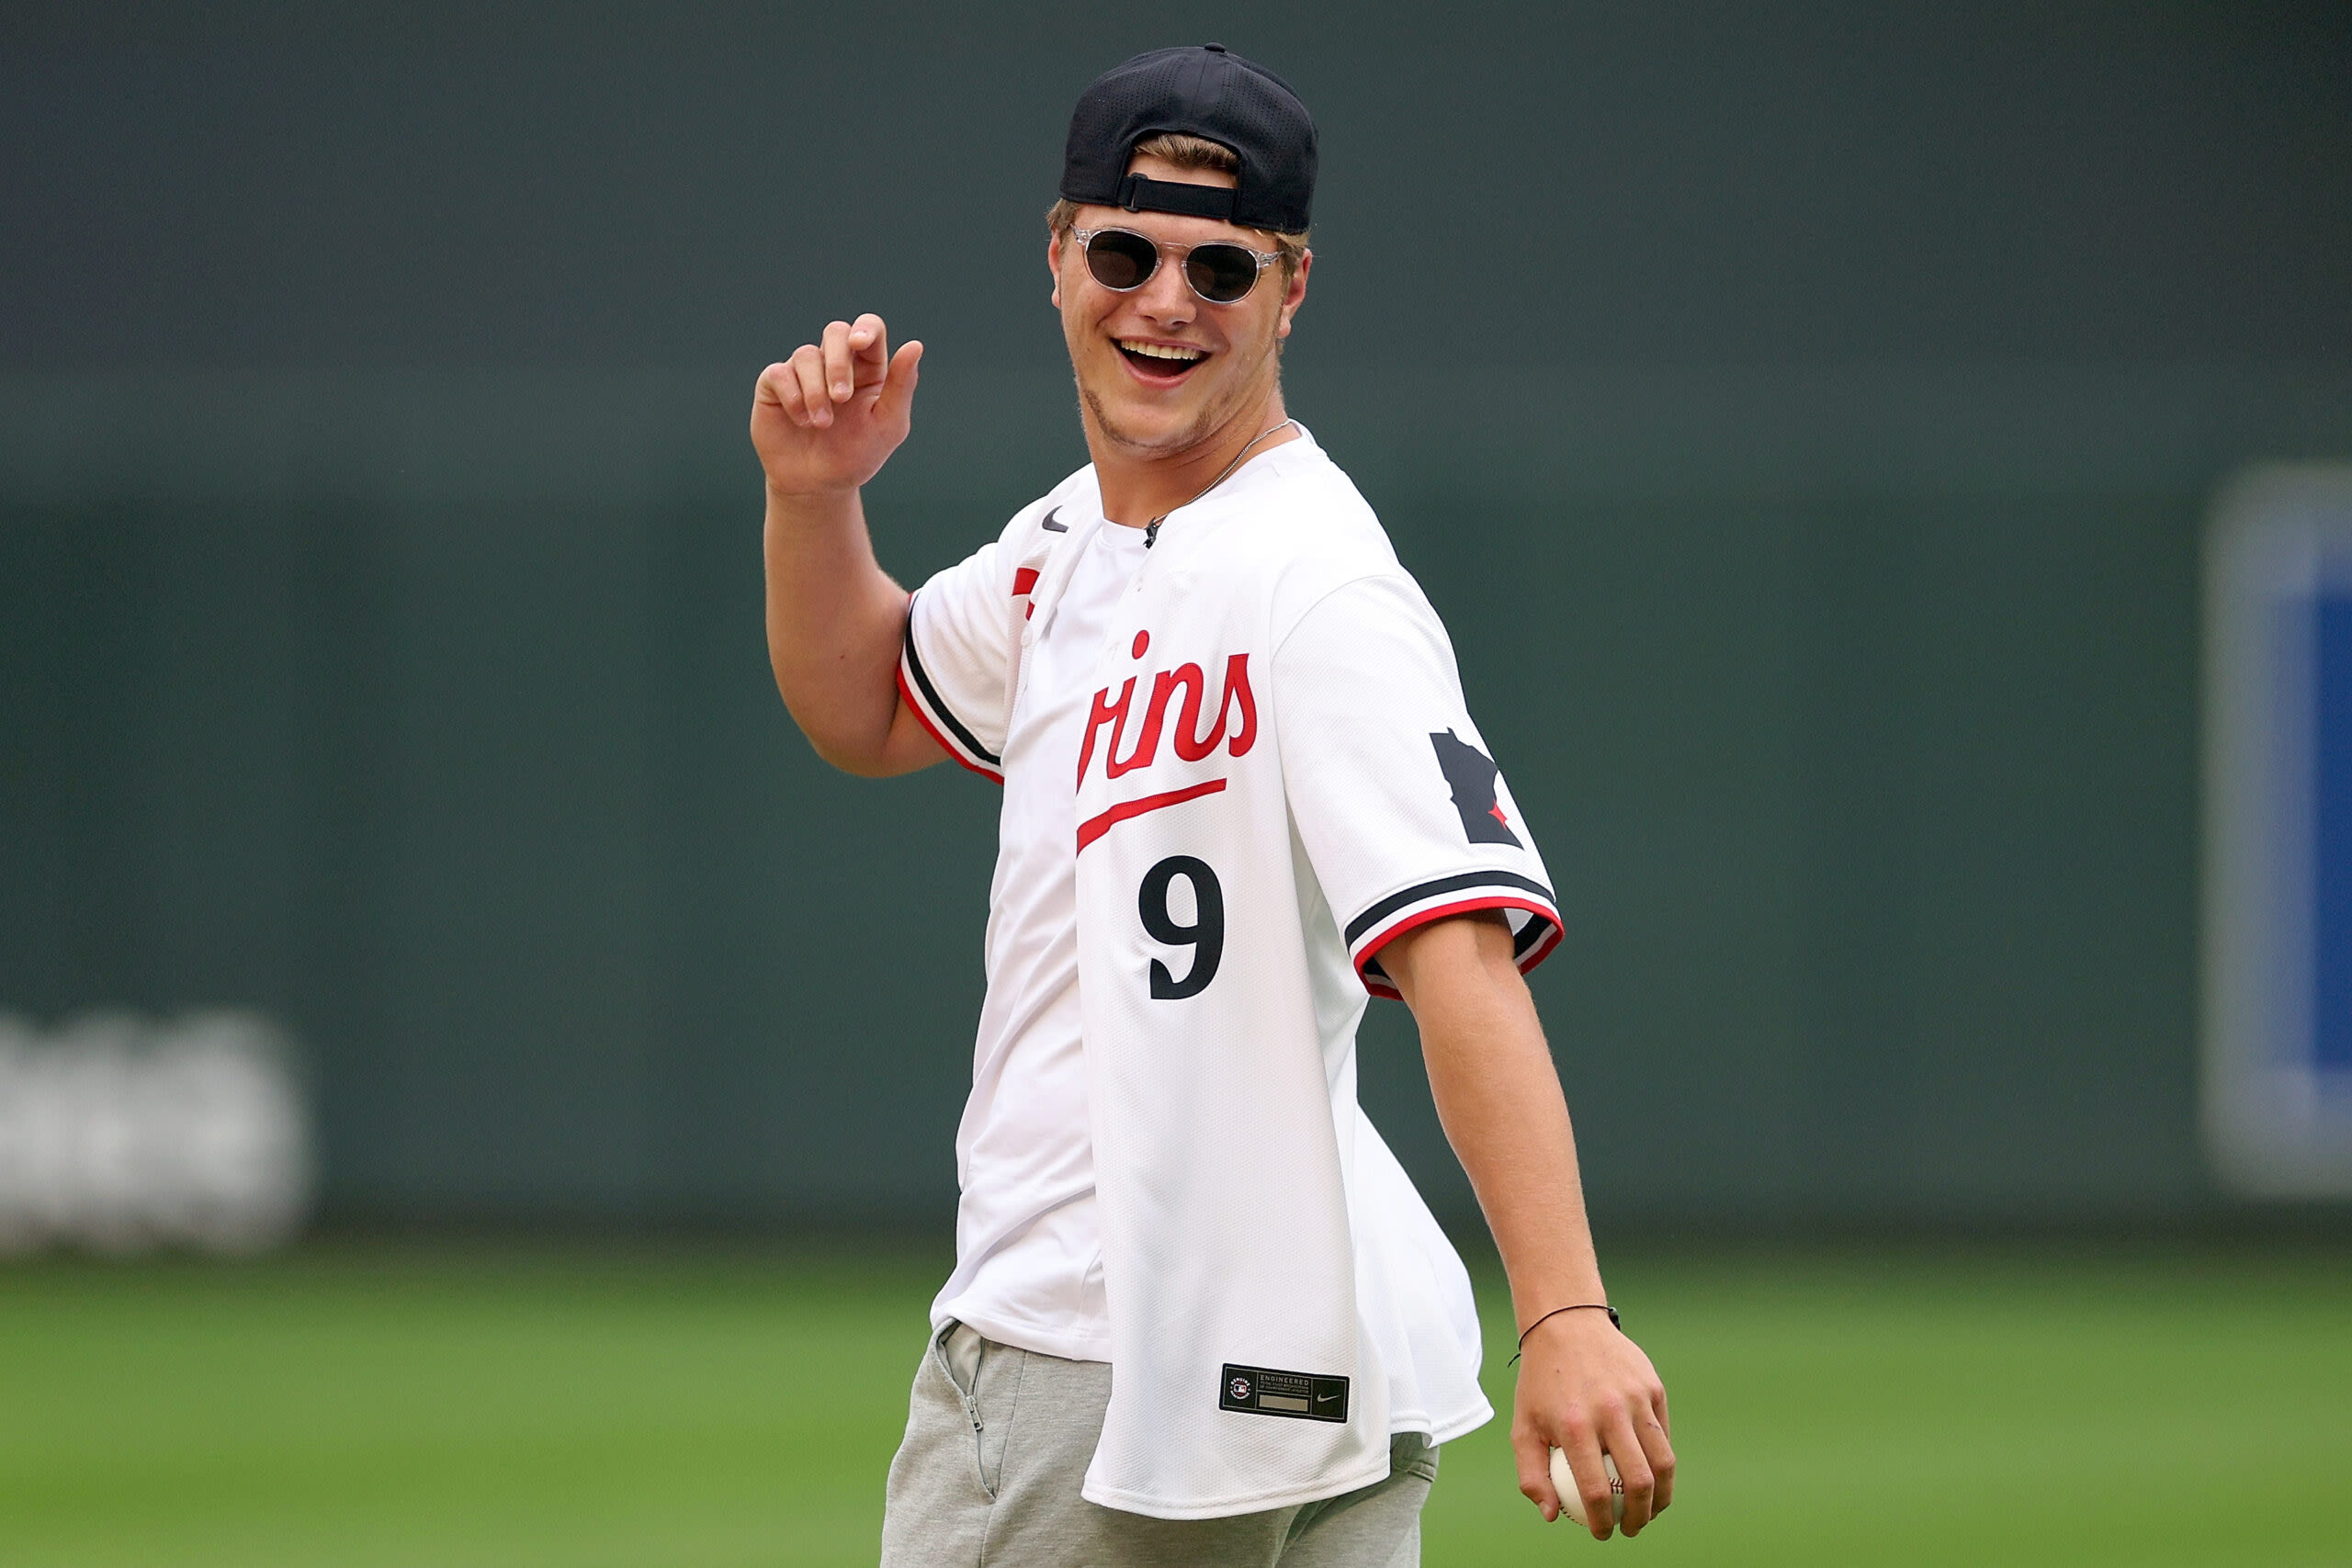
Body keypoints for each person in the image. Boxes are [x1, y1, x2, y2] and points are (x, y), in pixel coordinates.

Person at [752, 43, 1673, 1565]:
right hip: (1309, 1358)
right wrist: (812, 496)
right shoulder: (1064, 546)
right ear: (1057, 257)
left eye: (1220, 267)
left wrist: (1568, 1311)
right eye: (1125, 250)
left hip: (1096, 1348)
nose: (1165, 299)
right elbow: (866, 703)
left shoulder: (1313, 586)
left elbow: (1462, 963)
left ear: (1290, 288)